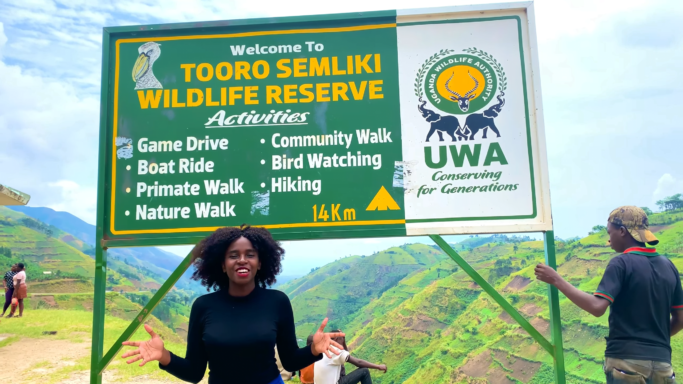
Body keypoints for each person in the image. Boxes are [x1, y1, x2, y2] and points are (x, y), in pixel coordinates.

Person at [121, 225, 345, 384]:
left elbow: (290, 360)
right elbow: (194, 372)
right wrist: (164, 356)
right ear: (222, 264)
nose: (242, 260)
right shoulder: (203, 306)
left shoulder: (277, 302)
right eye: (233, 255)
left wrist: (314, 349)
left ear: (260, 263)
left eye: (250, 254)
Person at [535, 206, 683, 383]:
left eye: (609, 232)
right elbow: (680, 319)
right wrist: (654, 342)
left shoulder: (621, 263)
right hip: (663, 366)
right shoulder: (669, 266)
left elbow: (597, 307)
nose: (608, 239)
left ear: (622, 231)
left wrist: (556, 279)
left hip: (626, 364)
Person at [314, 329, 387, 384]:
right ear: (336, 339)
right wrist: (379, 367)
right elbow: (359, 362)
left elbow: (346, 354)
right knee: (364, 371)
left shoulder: (323, 349)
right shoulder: (335, 351)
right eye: (342, 339)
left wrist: (342, 339)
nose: (343, 342)